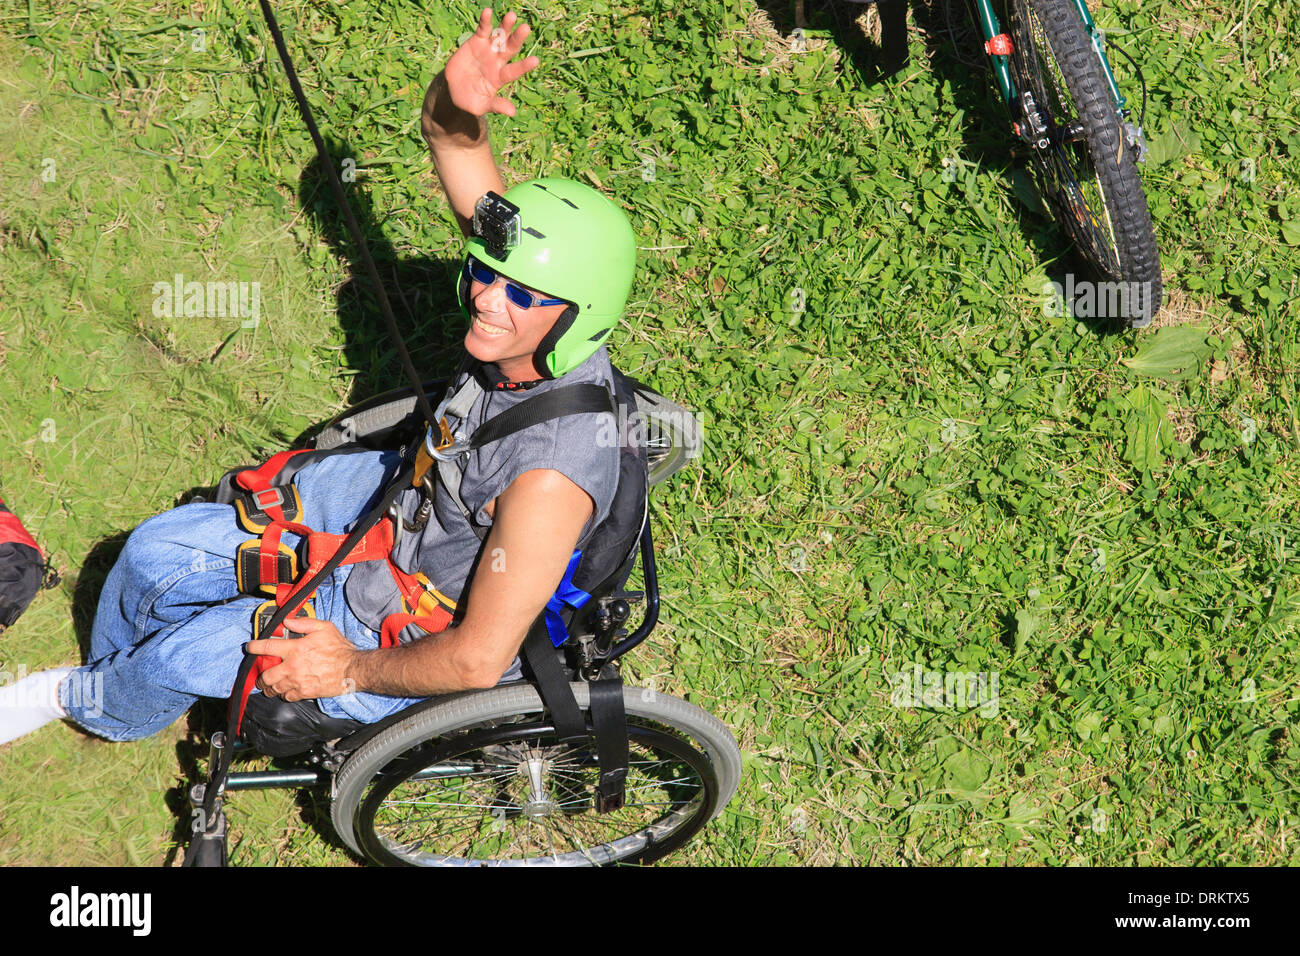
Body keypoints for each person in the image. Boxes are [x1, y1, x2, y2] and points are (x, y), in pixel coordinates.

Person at [0, 7, 638, 746]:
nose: (488, 299)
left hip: (398, 611)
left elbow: (475, 658)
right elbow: (451, 142)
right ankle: (117, 686)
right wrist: (454, 98)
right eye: (487, 273)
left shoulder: (549, 484)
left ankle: (91, 702)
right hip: (407, 495)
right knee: (150, 554)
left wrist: (348, 670)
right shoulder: (530, 308)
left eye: (522, 294)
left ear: (576, 317)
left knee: (183, 653)